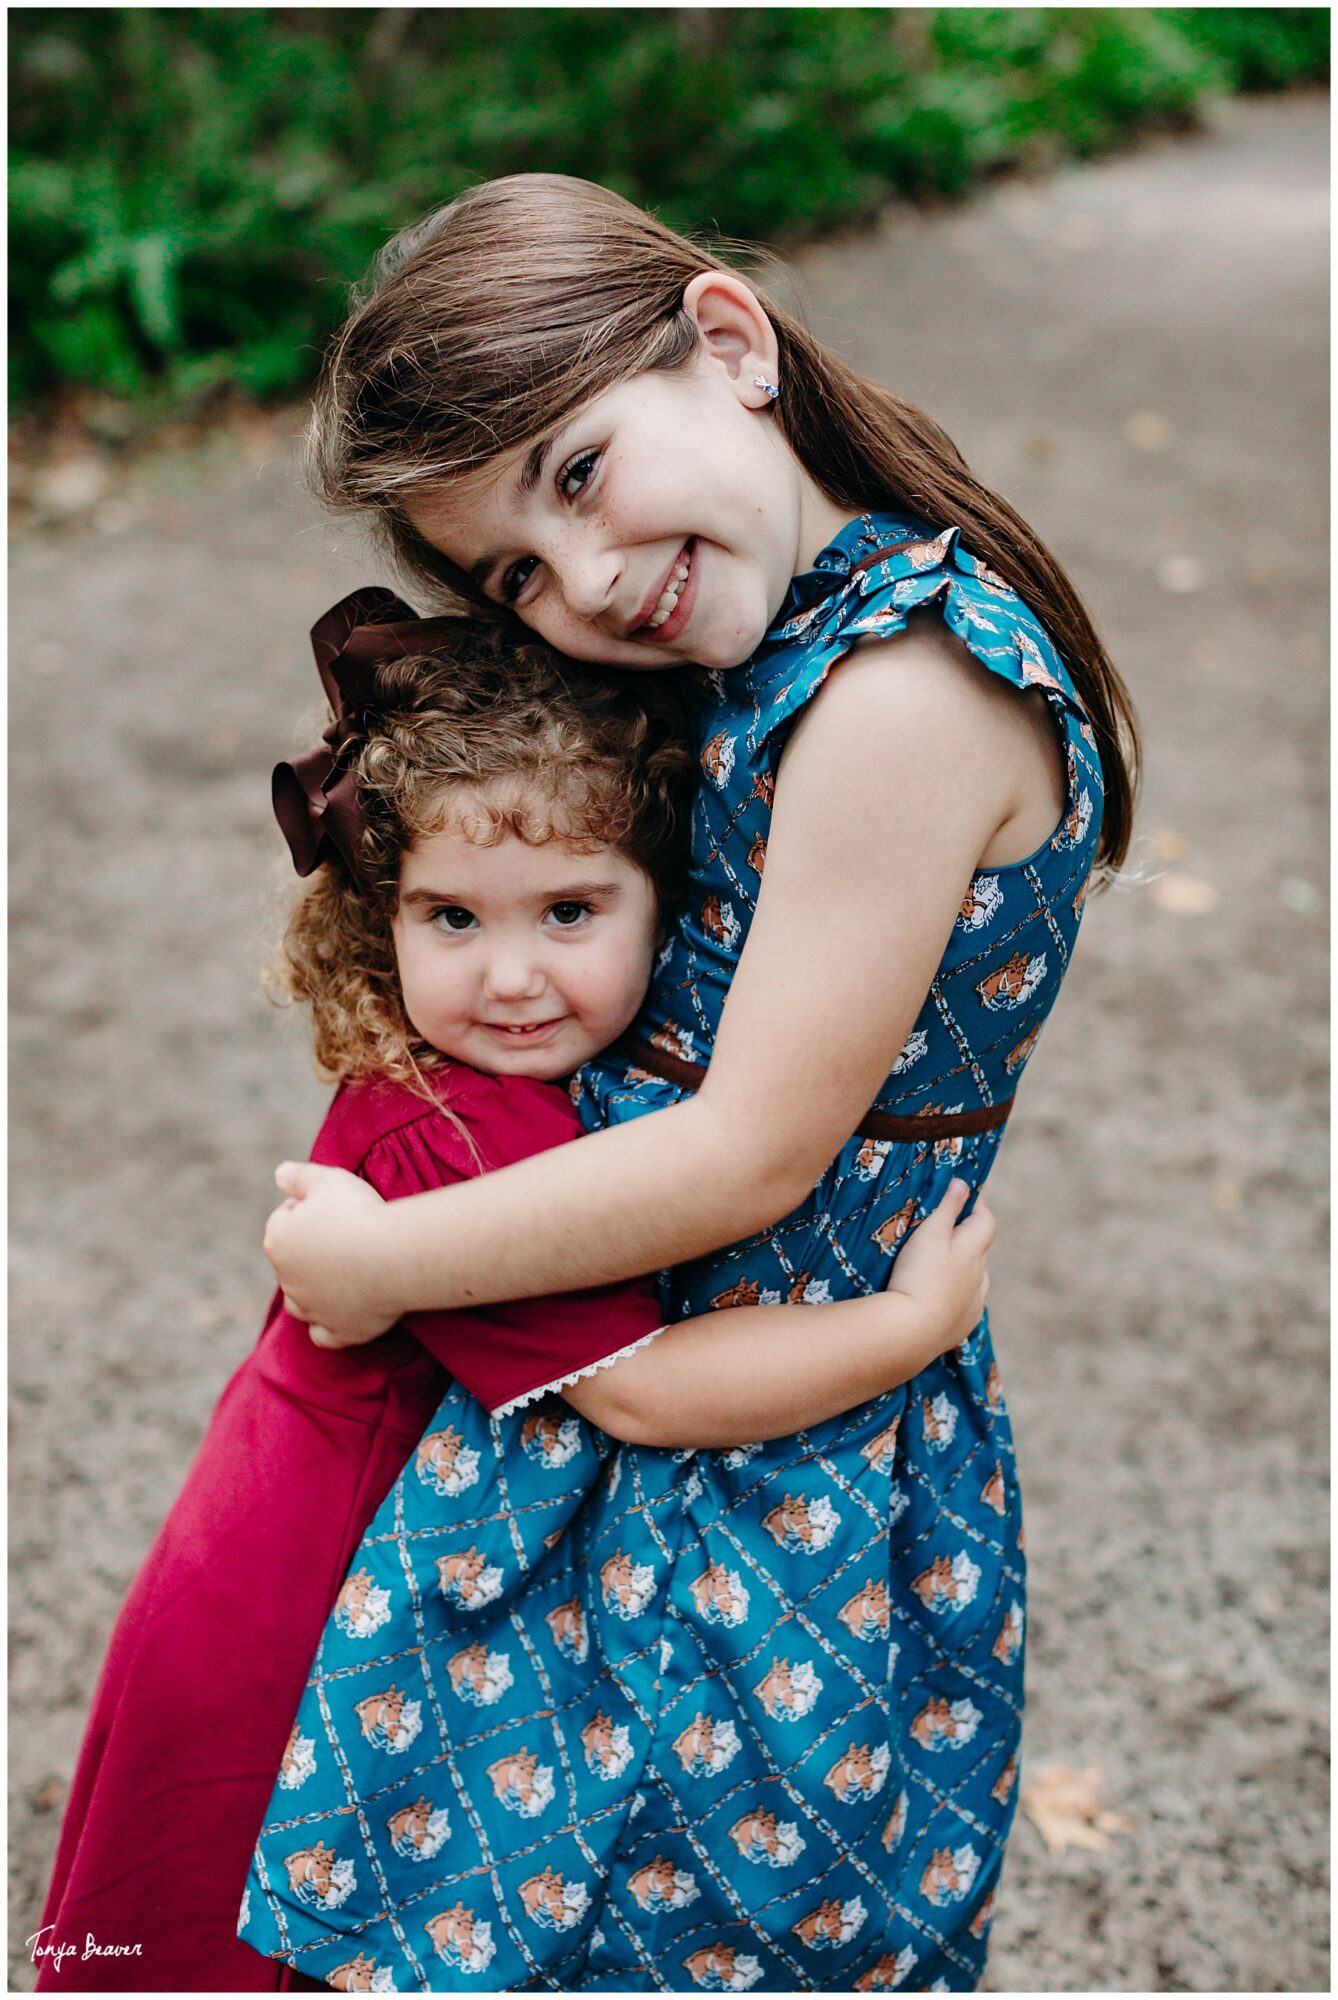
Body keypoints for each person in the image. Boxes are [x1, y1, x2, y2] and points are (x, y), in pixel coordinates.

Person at [252, 174, 1137, 1992]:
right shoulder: (793, 628)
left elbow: (747, 1152)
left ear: (726, 344)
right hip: (640, 1353)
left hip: (758, 1413)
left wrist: (394, 1265)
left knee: (685, 1904)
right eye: (511, 566)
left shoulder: (901, 689)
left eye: (573, 474)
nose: (576, 583)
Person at [35, 597, 990, 1994]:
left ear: (664, 900)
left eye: (569, 909)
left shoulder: (526, 1099)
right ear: (382, 912)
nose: (510, 975)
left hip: (304, 1564)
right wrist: (905, 1331)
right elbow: (644, 1392)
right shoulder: (456, 1135)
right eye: (450, 916)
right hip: (296, 1609)